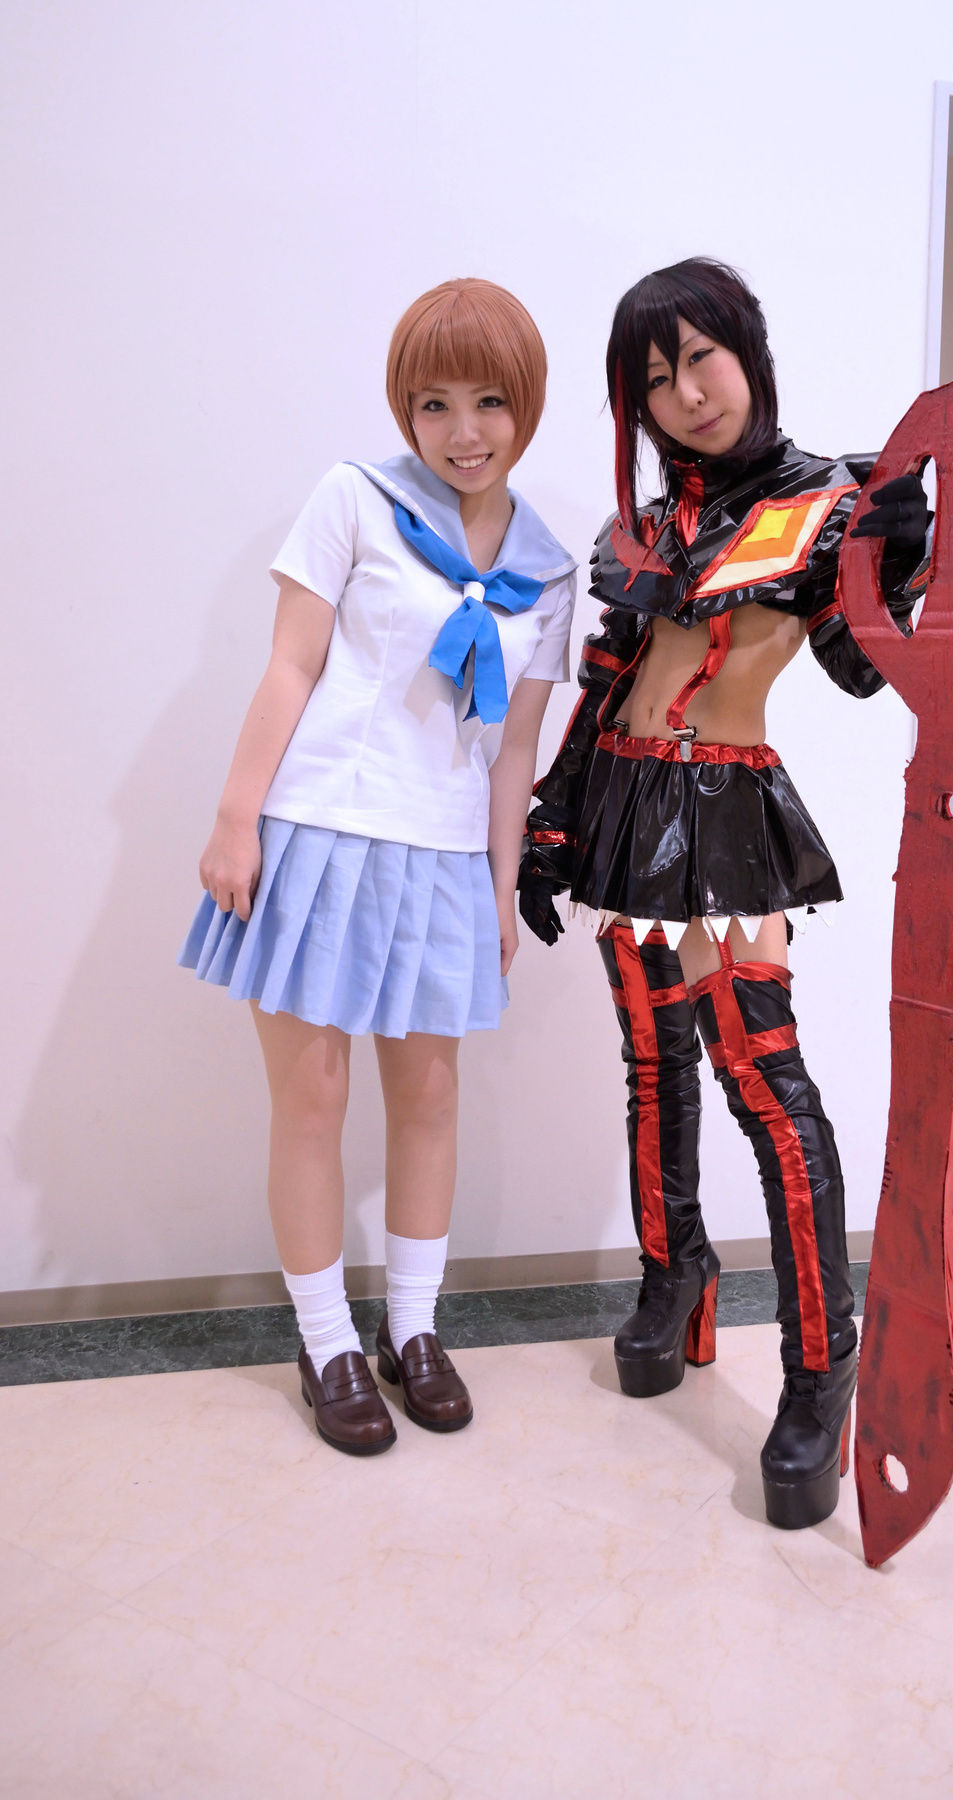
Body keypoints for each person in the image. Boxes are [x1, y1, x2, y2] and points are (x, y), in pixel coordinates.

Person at [518, 258, 928, 1528]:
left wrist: (899, 555)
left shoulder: (828, 502)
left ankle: (820, 1361)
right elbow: (608, 679)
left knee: (764, 1081)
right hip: (622, 814)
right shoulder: (647, 528)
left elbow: (865, 669)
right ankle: (673, 1273)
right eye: (655, 378)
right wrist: (551, 819)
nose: (687, 393)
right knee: (653, 1064)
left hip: (725, 814)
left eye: (701, 358)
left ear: (746, 352)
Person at [181, 279, 576, 1455]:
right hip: (320, 829)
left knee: (431, 1096)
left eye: (489, 401)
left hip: (445, 852)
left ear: (526, 405)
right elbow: (291, 666)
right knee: (312, 1096)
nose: (464, 430)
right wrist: (236, 818)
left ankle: (413, 1330)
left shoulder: (549, 571)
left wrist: (500, 887)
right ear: (405, 410)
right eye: (433, 402)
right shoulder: (353, 498)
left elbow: (514, 748)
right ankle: (325, 1342)